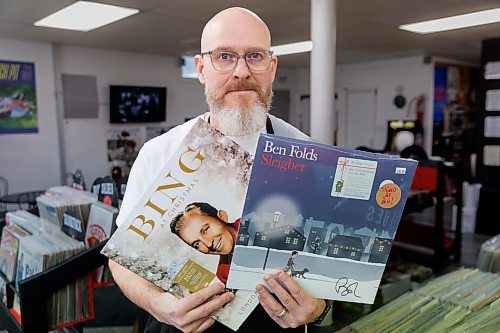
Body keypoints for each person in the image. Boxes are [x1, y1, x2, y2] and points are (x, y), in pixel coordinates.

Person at [109, 7, 329, 333]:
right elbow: (121, 258)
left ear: (272, 67)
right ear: (201, 68)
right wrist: (159, 306)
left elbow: (325, 265)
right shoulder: (158, 154)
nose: (241, 71)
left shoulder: (312, 157)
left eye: (254, 56)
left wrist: (319, 308)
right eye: (224, 56)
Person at [170, 202, 238, 284]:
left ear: (222, 217)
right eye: (197, 244)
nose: (208, 244)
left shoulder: (255, 217)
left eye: (205, 230)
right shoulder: (224, 274)